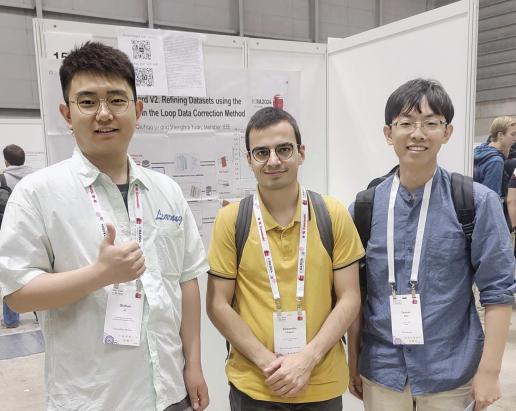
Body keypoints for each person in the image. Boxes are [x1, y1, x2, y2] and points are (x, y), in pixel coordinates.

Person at [0, 42, 209, 411]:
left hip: (170, 391)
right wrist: (99, 274)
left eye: (116, 100)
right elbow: (18, 293)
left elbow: (186, 281)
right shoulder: (38, 193)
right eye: (87, 102)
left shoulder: (166, 190)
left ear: (137, 110)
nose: (104, 113)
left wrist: (193, 364)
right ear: (67, 114)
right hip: (95, 399)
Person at [348, 79, 515, 411]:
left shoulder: (475, 202)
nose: (418, 133)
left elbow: (498, 291)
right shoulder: (365, 206)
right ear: (388, 133)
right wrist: (353, 360)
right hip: (382, 369)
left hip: (450, 370)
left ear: (447, 132)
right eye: (406, 123)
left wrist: (489, 371)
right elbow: (357, 293)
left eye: (431, 123)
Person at [207, 107, 364, 410]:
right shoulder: (231, 220)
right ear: (249, 160)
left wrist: (306, 360)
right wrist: (270, 364)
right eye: (261, 152)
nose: (273, 160)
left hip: (321, 384)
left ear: (301, 153)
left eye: (284, 149)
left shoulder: (332, 214)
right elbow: (217, 304)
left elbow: (350, 297)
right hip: (256, 386)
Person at [1, 144, 34, 328]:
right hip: (33, 232)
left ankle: (12, 319)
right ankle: (40, 314)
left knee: (10, 273)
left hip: (9, 232)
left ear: (6, 161)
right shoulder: (36, 177)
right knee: (37, 271)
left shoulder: (3, 178)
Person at [473, 116, 516, 195]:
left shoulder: (479, 149)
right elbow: (492, 196)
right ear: (500, 135)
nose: (515, 138)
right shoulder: (496, 161)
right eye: (512, 134)